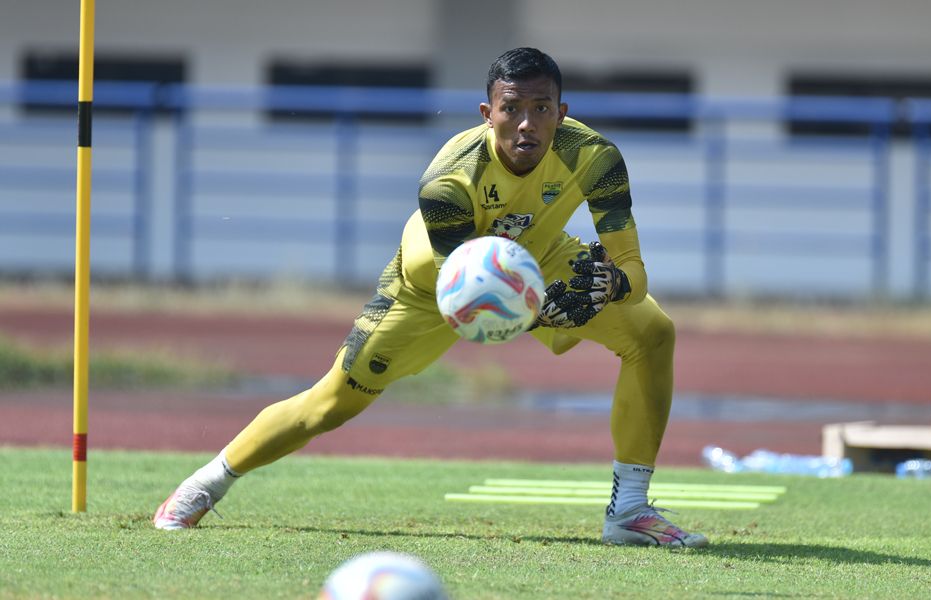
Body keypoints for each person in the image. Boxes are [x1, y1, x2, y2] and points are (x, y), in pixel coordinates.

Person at [153, 47, 708, 549]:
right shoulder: (448, 180)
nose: (526, 124)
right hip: (436, 281)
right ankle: (205, 484)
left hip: (535, 256)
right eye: (511, 108)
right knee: (330, 404)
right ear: (486, 113)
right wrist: (545, 311)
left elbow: (633, 266)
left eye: (542, 109)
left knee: (653, 334)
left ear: (563, 114)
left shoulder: (595, 156)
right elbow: (475, 297)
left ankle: (629, 510)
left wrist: (612, 285)